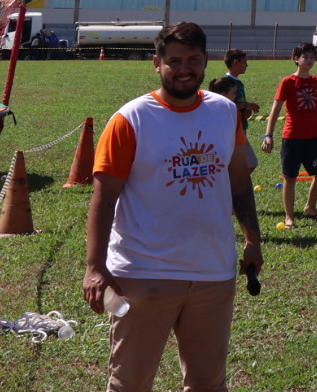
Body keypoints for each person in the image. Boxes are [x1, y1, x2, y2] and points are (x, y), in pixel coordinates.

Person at [82, 22, 261, 392]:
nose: (184, 69)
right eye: (174, 60)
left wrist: (253, 240)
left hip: (213, 272)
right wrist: (94, 267)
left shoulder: (225, 112)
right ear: (156, 63)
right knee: (130, 383)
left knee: (208, 382)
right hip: (143, 274)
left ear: (206, 61)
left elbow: (240, 182)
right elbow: (103, 198)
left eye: (193, 60)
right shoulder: (129, 120)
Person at [260, 42, 317, 230]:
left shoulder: (316, 81)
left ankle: (310, 207)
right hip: (292, 137)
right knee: (290, 177)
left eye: (312, 57)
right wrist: (268, 135)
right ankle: (289, 216)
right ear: (296, 59)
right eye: (305, 57)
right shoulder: (287, 82)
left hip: (314, 136)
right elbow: (275, 109)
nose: (310, 60)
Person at [218, 49, 260, 172]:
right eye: (244, 62)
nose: (247, 65)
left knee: (245, 164)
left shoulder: (238, 82)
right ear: (236, 63)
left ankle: (234, 187)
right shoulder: (227, 83)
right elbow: (226, 107)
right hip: (233, 130)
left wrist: (244, 113)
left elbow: (236, 107)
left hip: (240, 127)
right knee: (250, 162)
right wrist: (247, 105)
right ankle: (236, 187)